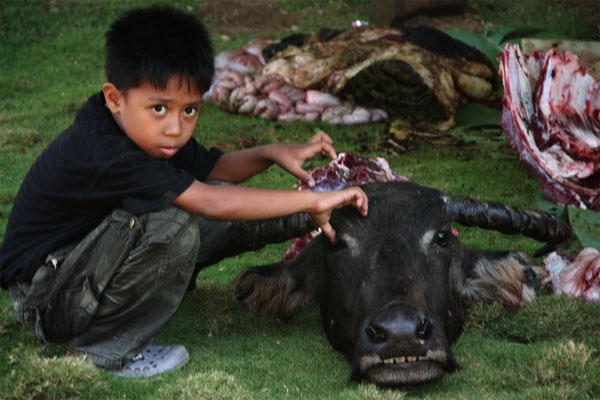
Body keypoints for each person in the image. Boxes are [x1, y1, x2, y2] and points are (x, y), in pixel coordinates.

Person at [0, 5, 368, 378]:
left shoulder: (147, 135)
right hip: (45, 295)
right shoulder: (106, 150)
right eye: (159, 108)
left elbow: (214, 170)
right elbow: (210, 201)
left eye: (190, 110)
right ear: (115, 98)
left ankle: (320, 218)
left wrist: (271, 153)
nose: (176, 127)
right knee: (176, 218)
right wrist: (312, 199)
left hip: (78, 267)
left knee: (202, 199)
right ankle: (102, 348)